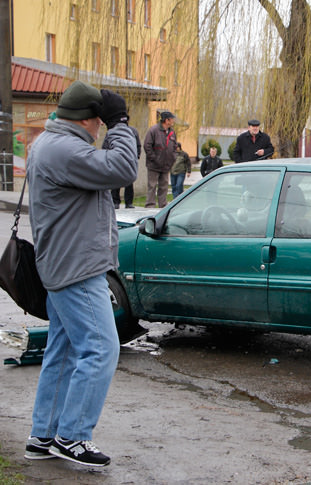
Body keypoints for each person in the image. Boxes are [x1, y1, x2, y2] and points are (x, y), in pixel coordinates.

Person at [24, 81, 137, 466]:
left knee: (65, 348)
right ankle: (72, 436)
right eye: (100, 123)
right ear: (89, 120)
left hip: (61, 263)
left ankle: (43, 435)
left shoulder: (49, 142)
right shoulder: (66, 149)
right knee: (102, 348)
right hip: (77, 269)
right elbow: (123, 168)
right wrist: (120, 124)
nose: (101, 130)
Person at [143, 111, 177, 208]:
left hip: (166, 165)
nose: (173, 121)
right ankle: (150, 207)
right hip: (154, 165)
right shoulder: (153, 130)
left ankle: (162, 207)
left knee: (164, 187)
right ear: (167, 120)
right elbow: (147, 146)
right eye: (172, 119)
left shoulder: (172, 132)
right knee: (152, 186)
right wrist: (154, 158)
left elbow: (174, 147)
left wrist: (173, 158)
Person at [110, 118, 141, 208]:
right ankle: (115, 201)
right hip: (116, 160)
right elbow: (107, 144)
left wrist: (137, 156)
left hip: (129, 160)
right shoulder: (112, 131)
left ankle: (129, 202)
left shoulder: (133, 131)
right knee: (116, 182)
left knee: (129, 182)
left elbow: (138, 145)